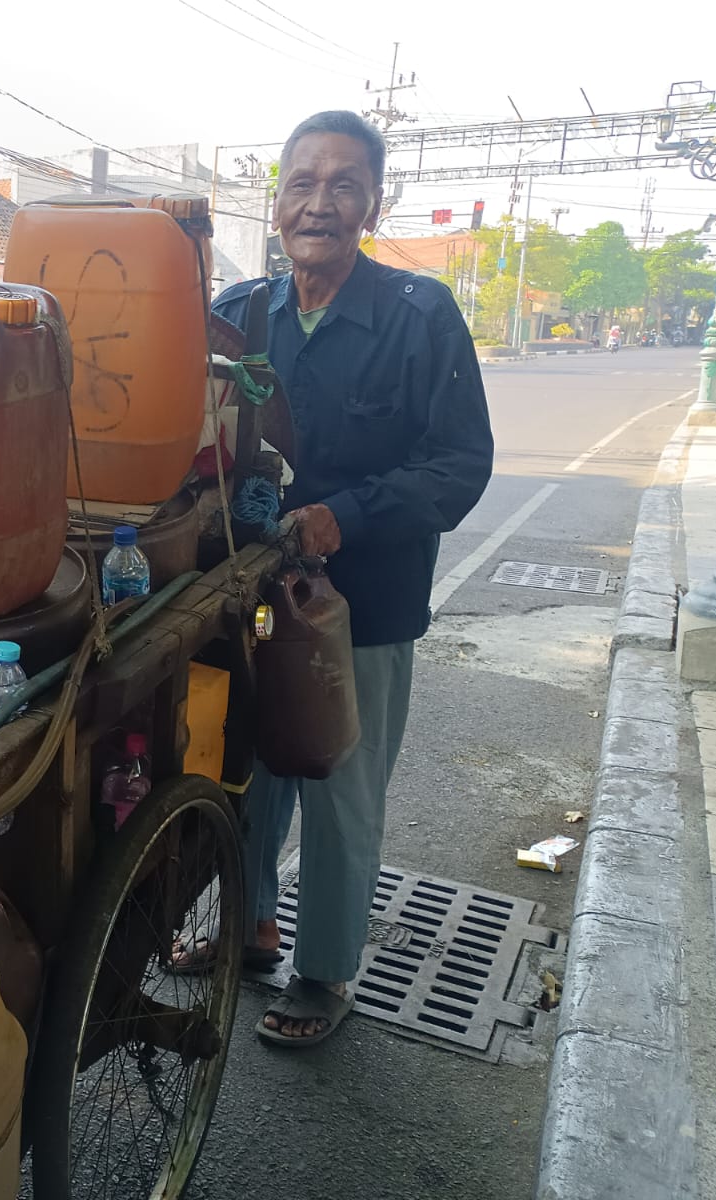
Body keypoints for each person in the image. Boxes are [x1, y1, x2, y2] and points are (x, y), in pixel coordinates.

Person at [201, 111, 494, 1045]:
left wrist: (346, 515)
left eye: (342, 184)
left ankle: (323, 975)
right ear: (277, 199)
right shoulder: (242, 311)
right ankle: (247, 925)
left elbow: (459, 463)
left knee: (339, 783)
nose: (318, 203)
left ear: (374, 200)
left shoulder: (419, 316)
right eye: (301, 182)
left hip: (361, 604)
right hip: (248, 591)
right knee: (245, 767)